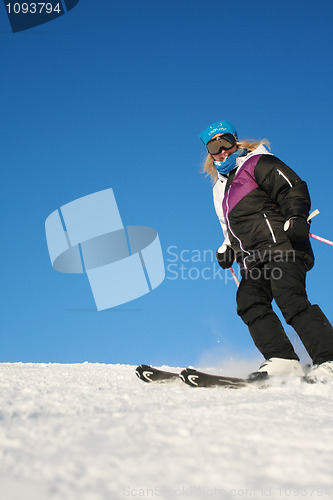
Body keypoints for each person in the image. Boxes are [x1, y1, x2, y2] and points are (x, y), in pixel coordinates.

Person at [199, 120, 333, 382]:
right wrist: (227, 248)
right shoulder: (219, 189)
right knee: (249, 302)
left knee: (290, 300)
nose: (222, 151)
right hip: (254, 260)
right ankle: (283, 359)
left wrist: (296, 216)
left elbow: (292, 187)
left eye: (225, 142)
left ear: (235, 141)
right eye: (214, 147)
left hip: (283, 246)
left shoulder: (257, 162)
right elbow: (229, 228)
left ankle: (329, 358)